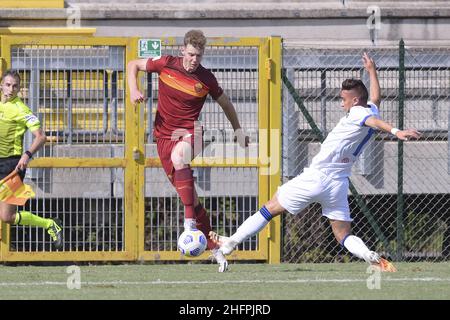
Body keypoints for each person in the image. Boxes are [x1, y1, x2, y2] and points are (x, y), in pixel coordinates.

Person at [210, 52, 422, 272]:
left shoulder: (359, 112)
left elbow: (375, 120)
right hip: (338, 183)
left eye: (344, 99)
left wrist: (396, 131)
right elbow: (375, 101)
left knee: (269, 208)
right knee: (342, 234)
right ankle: (368, 254)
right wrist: (371, 71)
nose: (342, 104)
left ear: (355, 101)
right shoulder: (366, 108)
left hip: (316, 177)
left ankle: (230, 242)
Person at [127, 30, 249, 272]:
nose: (195, 59)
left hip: (192, 133)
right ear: (183, 50)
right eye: (192, 54)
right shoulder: (166, 63)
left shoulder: (207, 79)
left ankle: (188, 225)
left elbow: (226, 103)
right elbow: (133, 64)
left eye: (199, 56)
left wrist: (238, 130)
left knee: (179, 156)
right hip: (163, 138)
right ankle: (216, 249)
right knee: (190, 199)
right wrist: (133, 89)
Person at [0, 69, 63, 249]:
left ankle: (50, 224)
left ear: (19, 89)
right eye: (8, 85)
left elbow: (41, 137)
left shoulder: (21, 109)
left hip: (11, 165)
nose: (11, 89)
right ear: (1, 85)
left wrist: (26, 155)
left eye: (15, 86)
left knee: (7, 217)